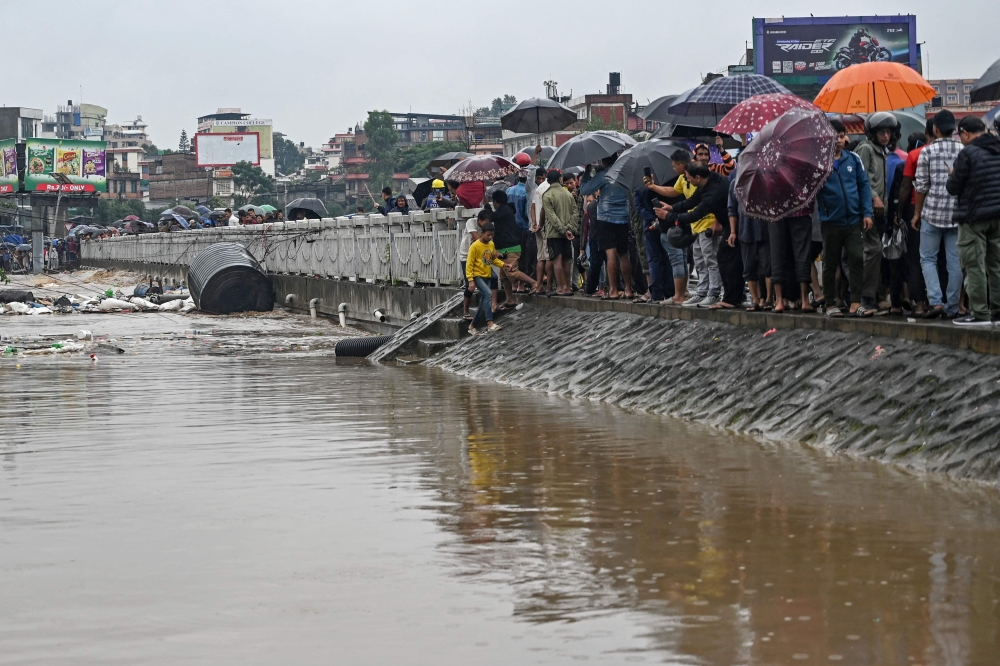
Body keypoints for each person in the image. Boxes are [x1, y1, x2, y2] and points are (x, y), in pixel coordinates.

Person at [654, 161, 739, 309]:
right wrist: (673, 208)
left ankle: (720, 295)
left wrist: (668, 217)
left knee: (722, 260)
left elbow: (694, 214)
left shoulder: (713, 192)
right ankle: (710, 293)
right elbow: (692, 200)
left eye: (688, 177)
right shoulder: (709, 180)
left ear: (698, 177)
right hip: (727, 225)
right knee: (711, 259)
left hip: (733, 225)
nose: (687, 180)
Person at [646, 149, 718, 307]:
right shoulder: (683, 179)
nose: (673, 169)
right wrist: (654, 188)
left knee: (709, 260)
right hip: (694, 225)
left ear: (681, 165)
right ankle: (702, 292)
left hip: (706, 223)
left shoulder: (702, 180)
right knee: (699, 261)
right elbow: (676, 193)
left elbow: (698, 204)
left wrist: (670, 214)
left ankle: (713, 292)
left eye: (674, 166)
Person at [816, 119, 873, 317]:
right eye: (834, 136)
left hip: (854, 220)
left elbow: (864, 186)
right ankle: (830, 304)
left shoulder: (854, 159)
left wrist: (867, 212)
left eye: (841, 136)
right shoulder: (819, 163)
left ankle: (856, 303)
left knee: (857, 258)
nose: (838, 140)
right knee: (830, 263)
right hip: (831, 221)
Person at [947, 115, 1000, 325]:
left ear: (966, 134)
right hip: (998, 216)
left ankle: (979, 312)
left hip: (973, 217)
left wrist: (953, 174)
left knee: (973, 265)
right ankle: (998, 310)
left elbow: (953, 188)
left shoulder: (967, 153)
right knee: (996, 265)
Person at [914, 110, 964, 319]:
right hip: (957, 215)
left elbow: (921, 186)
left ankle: (936, 302)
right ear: (954, 129)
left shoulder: (927, 152)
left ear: (934, 129)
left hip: (932, 214)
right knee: (956, 262)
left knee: (928, 259)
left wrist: (917, 213)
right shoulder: (964, 151)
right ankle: (953, 306)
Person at [855, 112, 899, 314]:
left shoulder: (883, 152)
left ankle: (877, 295)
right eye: (882, 132)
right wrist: (874, 196)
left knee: (880, 253)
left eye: (888, 132)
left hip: (883, 211)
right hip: (868, 210)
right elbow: (861, 177)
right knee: (872, 251)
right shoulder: (866, 149)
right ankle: (866, 297)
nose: (886, 136)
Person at [581, 154, 634, 299]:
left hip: (605, 218)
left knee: (610, 253)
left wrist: (586, 172)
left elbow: (584, 190)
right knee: (623, 254)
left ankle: (613, 290)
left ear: (604, 161)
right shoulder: (624, 174)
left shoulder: (603, 175)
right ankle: (628, 289)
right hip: (623, 218)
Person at [895, 124, 933, 316]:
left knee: (916, 258)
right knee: (940, 258)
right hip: (940, 209)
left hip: (914, 209)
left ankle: (919, 304)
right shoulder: (955, 150)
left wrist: (898, 212)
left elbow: (905, 187)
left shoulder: (914, 155)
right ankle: (939, 302)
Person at [729, 168, 770, 311]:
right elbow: (732, 209)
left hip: (765, 229)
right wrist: (733, 231)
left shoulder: (764, 180)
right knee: (749, 268)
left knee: (767, 267)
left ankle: (768, 299)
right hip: (745, 230)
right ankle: (755, 299)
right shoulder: (735, 183)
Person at [491, 189, 536, 305]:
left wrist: (485, 204)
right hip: (504, 248)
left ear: (496, 202)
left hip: (509, 248)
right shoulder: (506, 210)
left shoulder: (504, 210)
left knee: (511, 272)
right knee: (504, 277)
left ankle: (534, 283)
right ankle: (509, 299)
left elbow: (492, 217)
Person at [542, 170, 579, 296]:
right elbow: (575, 212)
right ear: (560, 180)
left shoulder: (547, 195)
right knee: (567, 260)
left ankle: (560, 288)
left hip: (554, 233)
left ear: (548, 181)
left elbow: (551, 217)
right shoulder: (568, 194)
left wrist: (563, 229)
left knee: (556, 260)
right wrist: (569, 228)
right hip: (567, 233)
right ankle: (568, 287)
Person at [465, 220, 505, 335]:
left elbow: (492, 259)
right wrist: (471, 280)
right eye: (488, 235)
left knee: (484, 302)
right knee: (488, 294)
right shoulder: (475, 246)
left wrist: (504, 265)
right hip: (477, 276)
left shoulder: (491, 244)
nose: (490, 237)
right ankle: (490, 323)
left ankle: (472, 326)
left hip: (487, 275)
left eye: (492, 235)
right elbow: (469, 264)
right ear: (482, 233)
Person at [530, 167, 551, 293]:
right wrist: (540, 224)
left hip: (537, 227)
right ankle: (548, 286)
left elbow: (532, 208)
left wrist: (534, 223)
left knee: (540, 258)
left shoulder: (537, 189)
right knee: (548, 258)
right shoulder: (548, 188)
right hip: (546, 226)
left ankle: (539, 286)